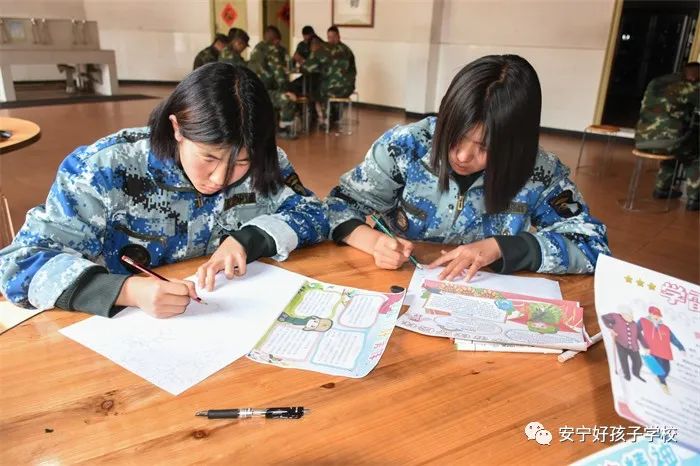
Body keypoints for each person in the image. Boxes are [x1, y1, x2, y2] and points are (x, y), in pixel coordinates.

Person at [0, 63, 329, 319]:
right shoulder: (103, 168)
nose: (220, 178)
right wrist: (126, 291)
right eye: (209, 158)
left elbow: (313, 212)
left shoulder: (266, 162)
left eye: (241, 162)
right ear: (177, 128)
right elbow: (18, 264)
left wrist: (248, 240)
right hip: (125, 330)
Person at [324, 55, 610, 280]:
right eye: (454, 135)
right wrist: (373, 242)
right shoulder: (406, 147)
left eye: (485, 148)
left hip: (485, 295)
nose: (462, 156)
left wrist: (503, 248)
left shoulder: (539, 172)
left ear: (515, 146)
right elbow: (338, 205)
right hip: (401, 282)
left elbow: (592, 245)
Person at [635, 62, 700, 211]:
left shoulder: (656, 82)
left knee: (675, 149)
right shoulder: (689, 86)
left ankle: (662, 188)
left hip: (641, 139)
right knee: (694, 154)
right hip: (669, 141)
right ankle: (695, 199)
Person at [249, 25, 297, 139]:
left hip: (250, 90)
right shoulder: (273, 49)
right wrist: (287, 91)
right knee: (287, 99)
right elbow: (279, 74)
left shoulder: (257, 48)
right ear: (276, 40)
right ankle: (283, 129)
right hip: (264, 92)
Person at [302, 26, 356, 128]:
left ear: (338, 36)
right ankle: (332, 116)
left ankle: (323, 119)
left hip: (331, 89)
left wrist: (312, 54)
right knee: (324, 88)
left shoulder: (324, 50)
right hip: (348, 89)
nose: (330, 40)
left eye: (332, 37)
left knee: (315, 93)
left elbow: (306, 68)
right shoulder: (347, 50)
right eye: (329, 37)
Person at [637, 306, 685, 394]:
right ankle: (663, 384)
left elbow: (673, 338)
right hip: (652, 351)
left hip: (664, 352)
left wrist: (681, 348)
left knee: (667, 370)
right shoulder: (643, 321)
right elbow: (635, 330)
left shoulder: (665, 328)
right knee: (659, 369)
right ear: (650, 314)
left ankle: (660, 379)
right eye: (655, 314)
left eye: (658, 315)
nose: (657, 316)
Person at [602, 310, 647, 382]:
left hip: (633, 347)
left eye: (631, 316)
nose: (631, 317)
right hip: (621, 344)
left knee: (638, 362)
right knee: (624, 362)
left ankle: (636, 373)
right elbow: (604, 317)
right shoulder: (616, 317)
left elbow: (640, 336)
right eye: (629, 315)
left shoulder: (634, 324)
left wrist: (646, 347)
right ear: (623, 314)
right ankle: (627, 376)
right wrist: (610, 328)